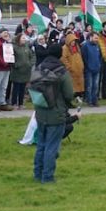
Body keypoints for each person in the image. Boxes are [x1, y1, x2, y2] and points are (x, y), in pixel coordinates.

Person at [33, 43, 76, 184]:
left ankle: (38, 173)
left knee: (41, 145)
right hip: (56, 113)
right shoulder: (61, 71)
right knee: (52, 146)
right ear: (60, 54)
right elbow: (69, 94)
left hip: (40, 111)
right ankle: (48, 177)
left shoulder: (38, 68)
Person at [11, 33, 34, 110]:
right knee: (16, 88)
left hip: (26, 71)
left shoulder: (27, 47)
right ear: (19, 39)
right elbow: (11, 57)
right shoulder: (14, 47)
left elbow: (32, 56)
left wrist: (30, 63)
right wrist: (16, 64)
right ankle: (14, 103)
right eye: (23, 38)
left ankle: (21, 103)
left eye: (25, 38)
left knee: (22, 88)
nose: (24, 39)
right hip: (17, 71)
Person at [61, 30, 85, 99]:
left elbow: (80, 56)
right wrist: (69, 67)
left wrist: (82, 65)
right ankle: (72, 98)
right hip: (71, 70)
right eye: (72, 40)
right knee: (72, 85)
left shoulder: (77, 47)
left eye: (74, 41)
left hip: (78, 70)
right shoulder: (65, 48)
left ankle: (79, 97)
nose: (73, 42)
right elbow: (63, 58)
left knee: (79, 85)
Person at [81, 32, 102, 107]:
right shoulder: (85, 46)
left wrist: (99, 65)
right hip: (89, 70)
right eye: (95, 38)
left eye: (97, 38)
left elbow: (100, 56)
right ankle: (89, 101)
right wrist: (88, 66)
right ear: (91, 37)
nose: (97, 39)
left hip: (96, 69)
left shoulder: (97, 45)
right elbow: (84, 57)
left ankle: (94, 100)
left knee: (95, 86)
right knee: (89, 86)